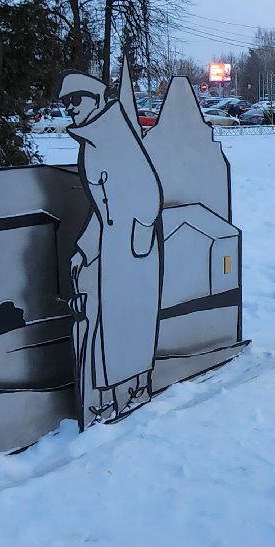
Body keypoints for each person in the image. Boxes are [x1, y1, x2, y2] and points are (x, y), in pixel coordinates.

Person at [59, 72, 164, 425]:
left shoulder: (114, 137)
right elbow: (102, 209)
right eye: (65, 102)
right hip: (114, 243)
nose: (70, 108)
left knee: (128, 321)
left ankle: (134, 390)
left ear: (96, 98)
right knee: (111, 324)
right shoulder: (95, 141)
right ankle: (115, 395)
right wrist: (86, 249)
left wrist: (139, 239)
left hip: (132, 249)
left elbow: (148, 191)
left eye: (76, 99)